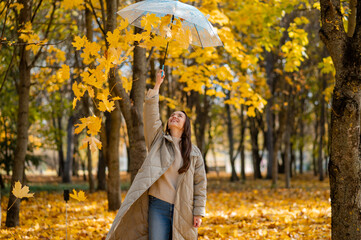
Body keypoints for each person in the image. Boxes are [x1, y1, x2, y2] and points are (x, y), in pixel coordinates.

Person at [106, 69, 207, 240]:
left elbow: (200, 185)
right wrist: (157, 85)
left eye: (180, 116)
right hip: (157, 207)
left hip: (183, 209)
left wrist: (199, 212)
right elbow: (151, 117)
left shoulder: (194, 153)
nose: (175, 116)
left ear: (186, 125)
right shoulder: (158, 142)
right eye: (173, 115)